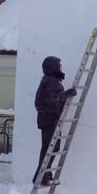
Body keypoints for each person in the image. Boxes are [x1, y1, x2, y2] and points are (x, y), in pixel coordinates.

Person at [33, 56, 77, 186]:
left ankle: (42, 176)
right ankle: (42, 177)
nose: (61, 68)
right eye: (59, 66)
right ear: (53, 68)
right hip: (49, 119)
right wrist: (66, 94)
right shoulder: (51, 81)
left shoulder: (50, 80)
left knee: (49, 148)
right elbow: (50, 100)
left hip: (49, 119)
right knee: (50, 149)